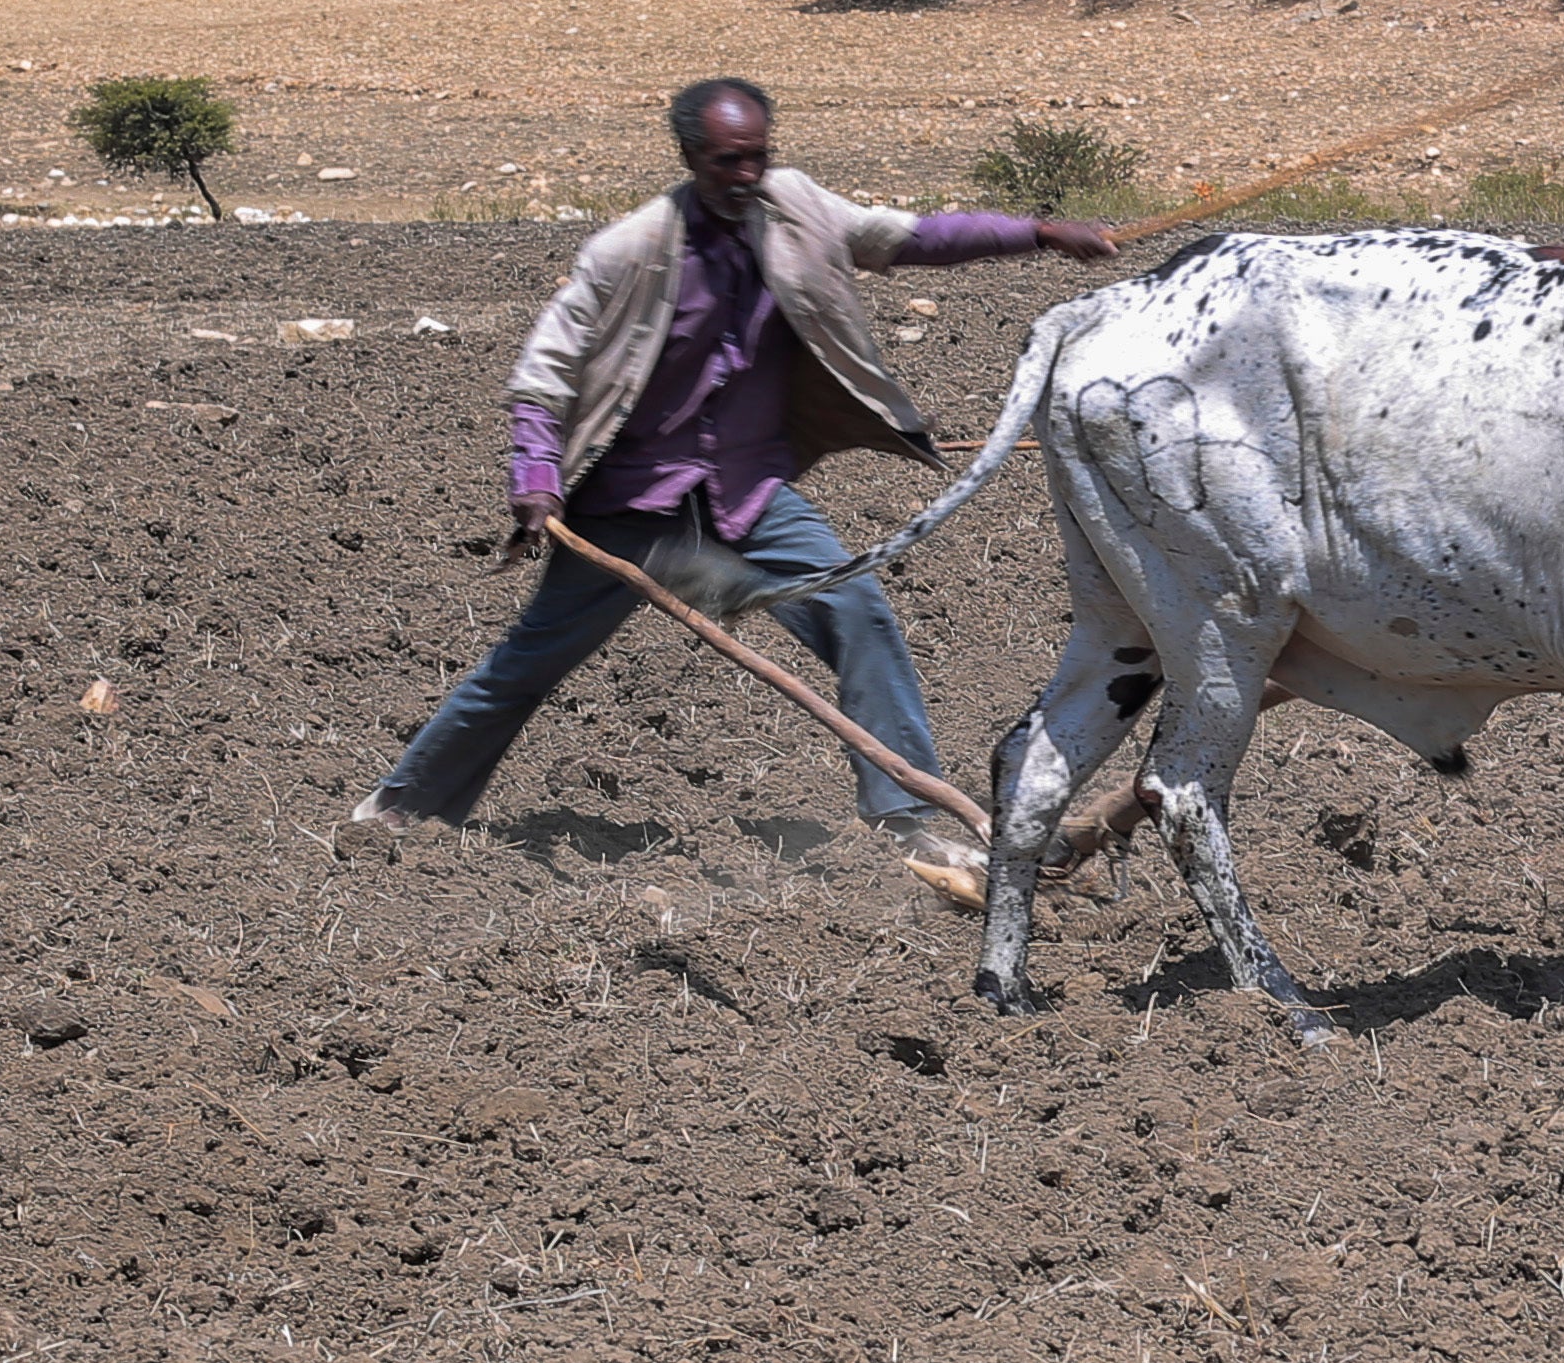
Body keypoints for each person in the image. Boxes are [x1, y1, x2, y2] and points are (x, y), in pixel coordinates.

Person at [356, 76, 1113, 867]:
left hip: (746, 493)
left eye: (758, 156)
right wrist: (537, 479)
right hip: (631, 504)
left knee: (860, 612)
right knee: (525, 666)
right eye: (728, 161)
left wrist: (1037, 233)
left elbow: (909, 237)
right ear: (689, 156)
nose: (746, 175)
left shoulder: (795, 206)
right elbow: (546, 372)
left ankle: (905, 821)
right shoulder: (631, 250)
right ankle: (397, 808)